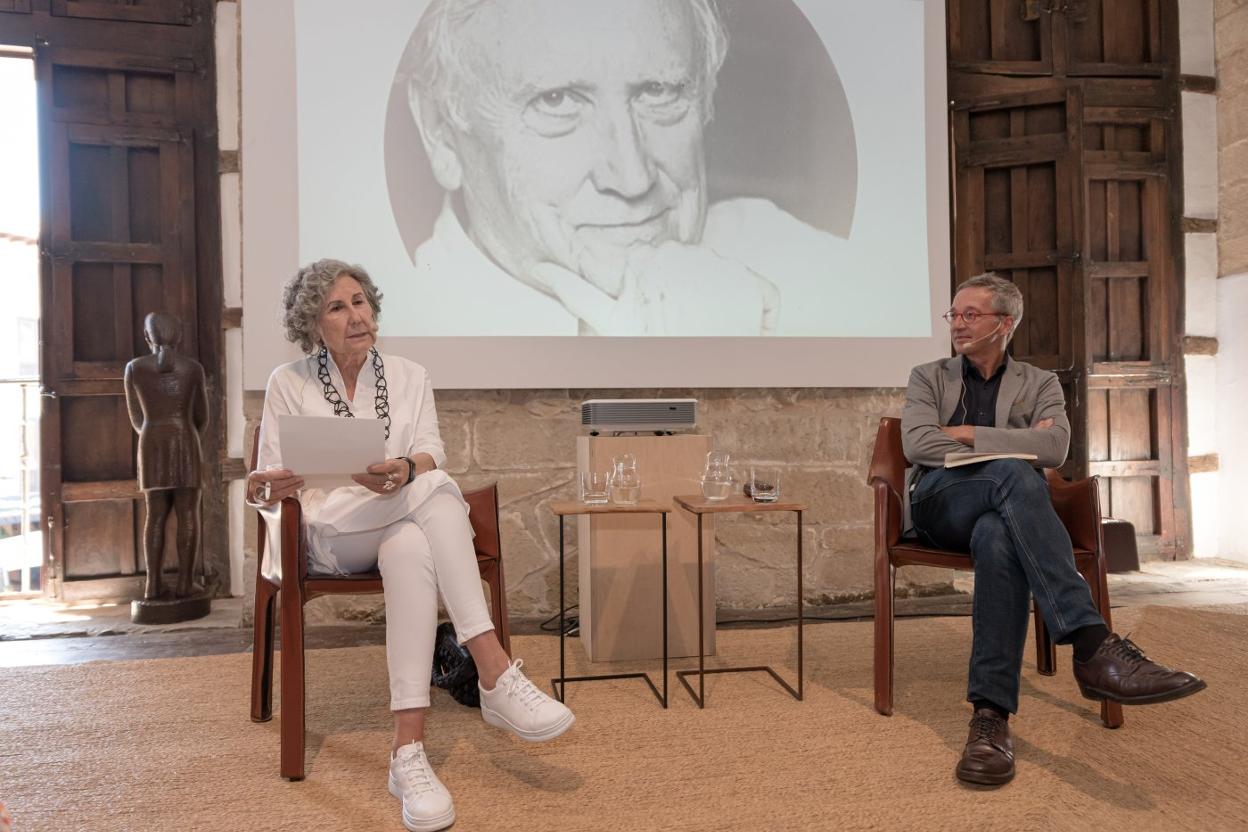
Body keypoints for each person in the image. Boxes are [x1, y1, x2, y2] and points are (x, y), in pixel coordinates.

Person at [247, 259, 574, 832]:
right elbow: (263, 480)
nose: (357, 316)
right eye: (337, 307)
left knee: (412, 542)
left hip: (394, 516)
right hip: (329, 534)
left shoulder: (407, 374)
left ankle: (407, 753)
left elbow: (429, 449)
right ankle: (493, 668)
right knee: (438, 492)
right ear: (312, 324)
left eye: (361, 302)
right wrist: (265, 484)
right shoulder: (287, 382)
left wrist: (403, 466)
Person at [399, 0, 867, 337]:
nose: (632, 177)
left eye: (659, 91)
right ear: (440, 131)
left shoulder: (828, 276)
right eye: (557, 100)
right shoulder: (403, 325)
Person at [901, 273, 1206, 787]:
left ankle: (990, 719)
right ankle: (1092, 645)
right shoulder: (928, 376)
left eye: (970, 314)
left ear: (1006, 323)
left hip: (999, 511)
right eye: (953, 314)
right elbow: (918, 447)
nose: (957, 323)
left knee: (1000, 535)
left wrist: (968, 433)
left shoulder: (1039, 383)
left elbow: (1056, 451)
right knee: (1015, 472)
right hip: (940, 503)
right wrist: (1014, 444)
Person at [123, 312, 208, 600]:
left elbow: (136, 418)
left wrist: (154, 432)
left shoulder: (134, 368)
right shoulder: (192, 368)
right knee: (188, 513)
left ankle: (152, 584)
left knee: (155, 515)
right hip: (185, 440)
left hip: (151, 443)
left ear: (148, 338)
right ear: (178, 336)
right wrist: (184, 433)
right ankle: (186, 583)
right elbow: (201, 417)